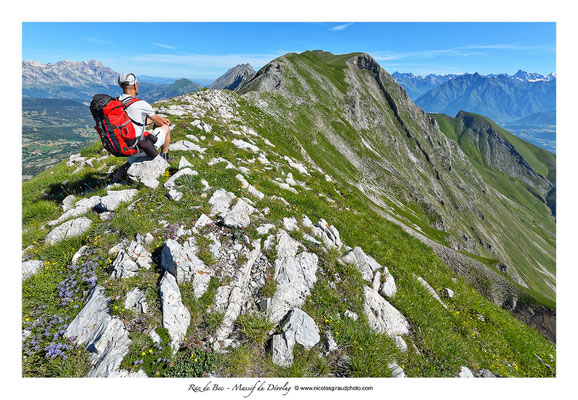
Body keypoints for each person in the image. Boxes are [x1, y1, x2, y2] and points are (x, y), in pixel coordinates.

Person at [117, 72, 171, 162]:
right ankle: (164, 158)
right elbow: (161, 124)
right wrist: (159, 120)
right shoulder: (141, 104)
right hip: (139, 149)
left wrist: (155, 120)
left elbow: (136, 121)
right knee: (166, 127)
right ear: (135, 85)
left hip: (124, 150)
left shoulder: (116, 103)